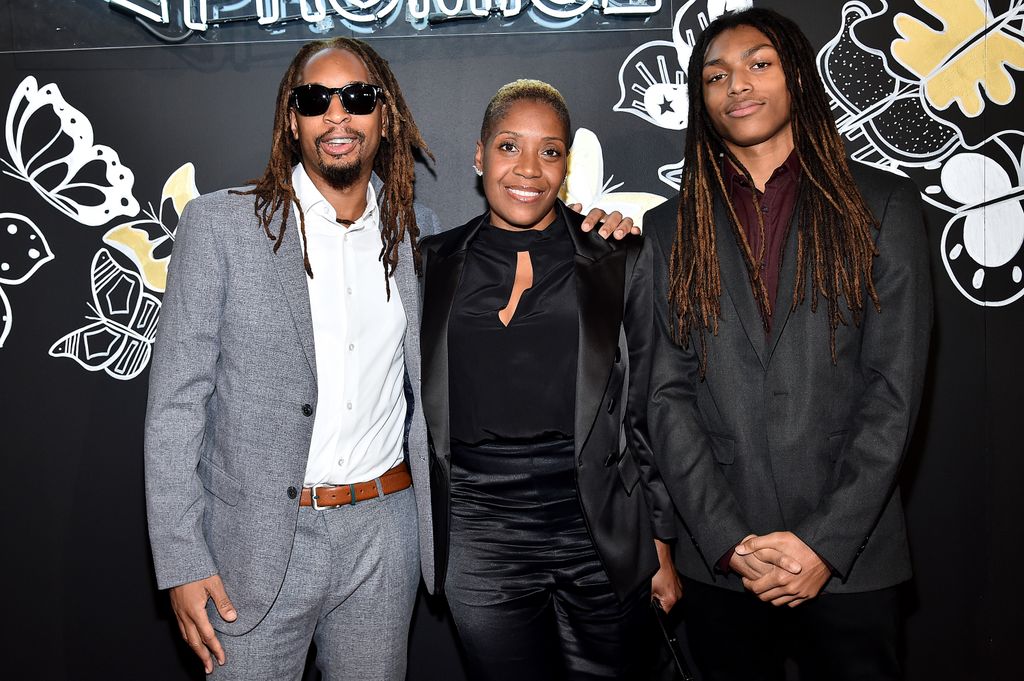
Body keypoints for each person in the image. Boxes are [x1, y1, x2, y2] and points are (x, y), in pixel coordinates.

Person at [145, 38, 632, 680]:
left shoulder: (418, 235)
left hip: (386, 536)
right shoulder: (221, 227)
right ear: (293, 120)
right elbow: (176, 406)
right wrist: (182, 561)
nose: (338, 116)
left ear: (385, 115)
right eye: (316, 100)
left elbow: (522, 249)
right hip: (257, 545)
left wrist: (589, 227)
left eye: (359, 98)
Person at [641, 8, 932, 681]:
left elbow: (895, 392)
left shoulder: (883, 208)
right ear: (702, 100)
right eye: (716, 75)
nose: (736, 84)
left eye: (758, 64)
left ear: (797, 75)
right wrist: (725, 540)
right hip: (723, 565)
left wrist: (825, 544)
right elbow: (666, 393)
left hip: (850, 558)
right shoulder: (667, 229)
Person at [419, 80, 681, 681]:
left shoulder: (618, 256)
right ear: (479, 155)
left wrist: (659, 542)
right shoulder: (427, 263)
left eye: (551, 151)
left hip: (597, 522)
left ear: (567, 164)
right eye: (510, 147)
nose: (529, 170)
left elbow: (648, 406)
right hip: (479, 526)